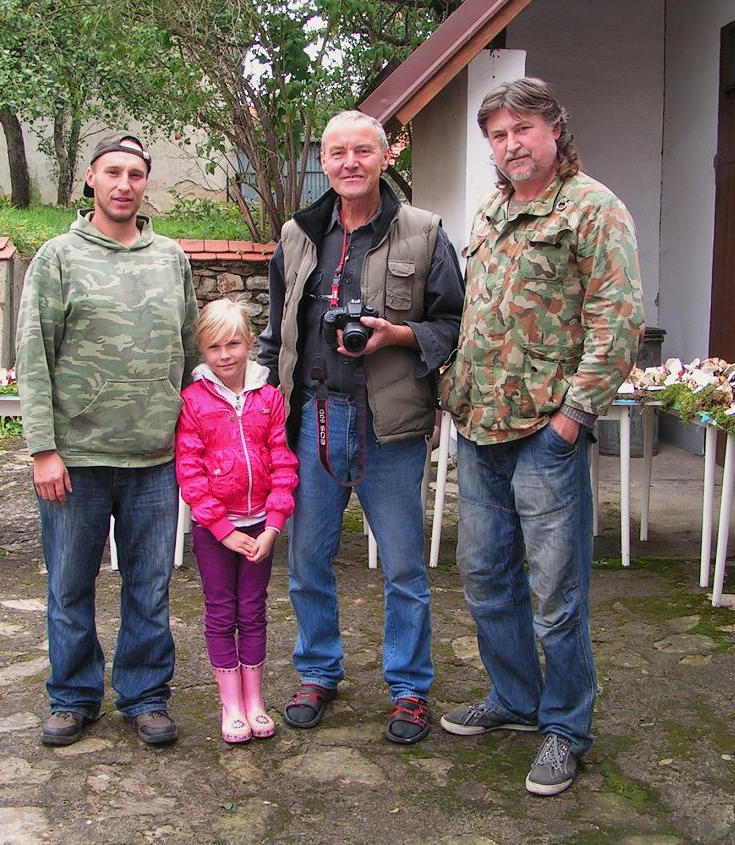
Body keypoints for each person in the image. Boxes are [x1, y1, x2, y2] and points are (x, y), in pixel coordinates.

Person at [438, 78, 644, 795]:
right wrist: (454, 391)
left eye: (522, 128)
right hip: (480, 428)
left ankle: (565, 726)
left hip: (544, 435)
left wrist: (572, 418)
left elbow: (618, 320)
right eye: (497, 135)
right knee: (484, 578)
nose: (510, 144)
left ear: (554, 129)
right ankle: (515, 697)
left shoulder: (592, 208)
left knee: (556, 592)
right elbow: (476, 313)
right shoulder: (491, 211)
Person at [257, 110, 464, 745]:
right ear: (323, 160)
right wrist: (255, 402)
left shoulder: (425, 232)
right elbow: (277, 332)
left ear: (384, 157)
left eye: (363, 151)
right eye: (338, 152)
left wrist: (395, 334)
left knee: (403, 568)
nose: (350, 162)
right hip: (312, 421)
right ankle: (318, 671)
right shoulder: (297, 234)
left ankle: (409, 688)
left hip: (389, 425)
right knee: (306, 561)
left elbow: (455, 325)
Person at [16, 132, 199, 748]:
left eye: (135, 174)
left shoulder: (170, 258)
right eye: (113, 172)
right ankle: (73, 697)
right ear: (91, 178)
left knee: (149, 586)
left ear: (146, 183)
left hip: (155, 458)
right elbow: (34, 357)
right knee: (70, 585)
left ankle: (145, 696)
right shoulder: (58, 258)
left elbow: (187, 351)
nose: (124, 184)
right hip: (76, 458)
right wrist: (43, 449)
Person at [175, 298, 298, 743]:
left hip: (260, 527)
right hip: (216, 532)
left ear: (249, 342)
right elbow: (190, 472)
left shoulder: (270, 399)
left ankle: (254, 700)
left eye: (233, 344)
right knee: (221, 610)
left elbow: (283, 461)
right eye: (214, 347)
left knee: (253, 610)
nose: (225, 355)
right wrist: (222, 530)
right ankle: (230, 704)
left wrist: (274, 524)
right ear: (202, 350)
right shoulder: (192, 401)